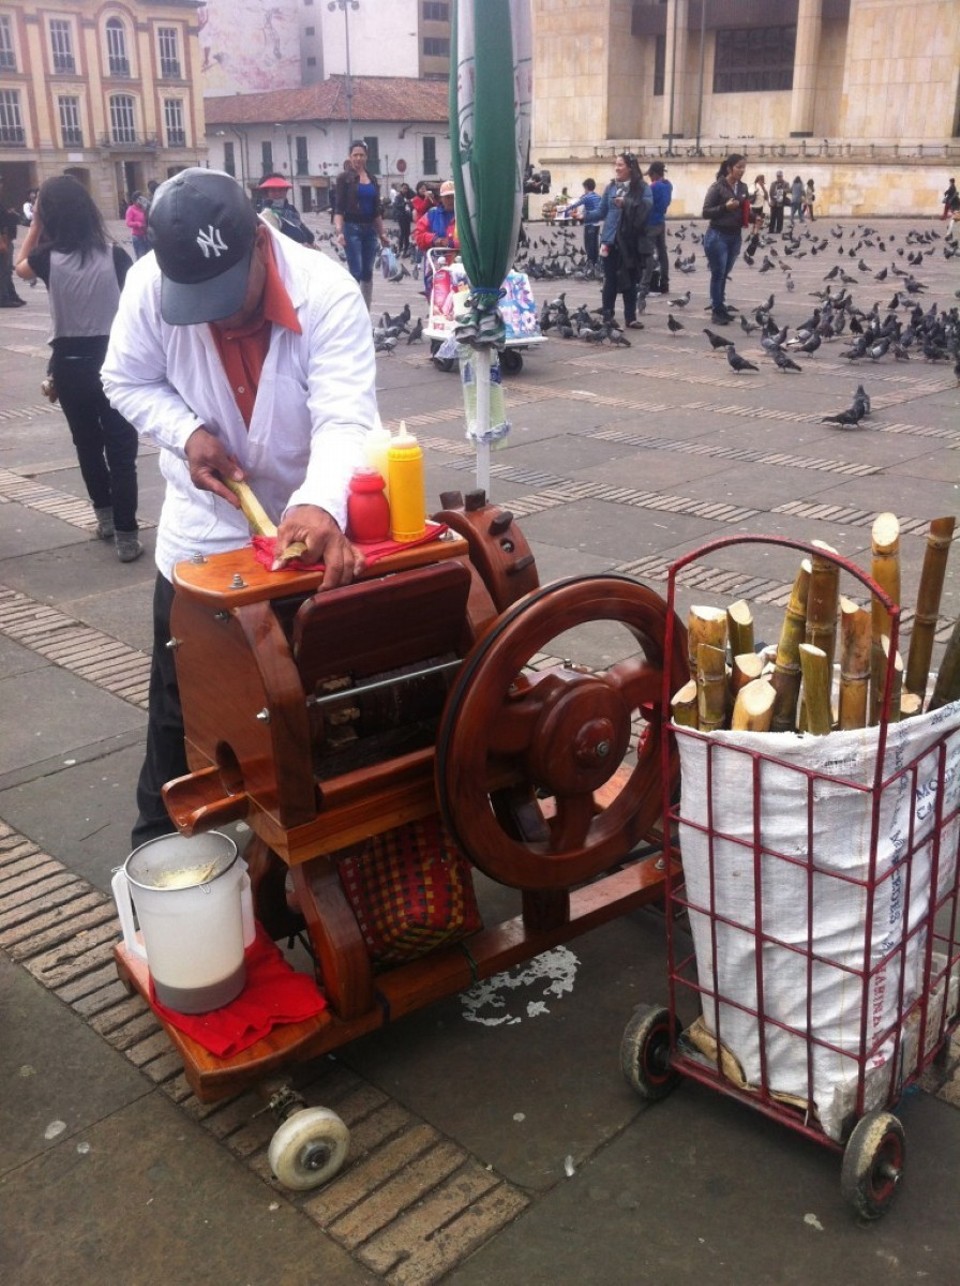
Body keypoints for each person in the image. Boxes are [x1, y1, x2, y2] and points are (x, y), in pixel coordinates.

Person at [100, 168, 378, 846]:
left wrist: (319, 502)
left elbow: (345, 417)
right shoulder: (150, 286)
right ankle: (156, 856)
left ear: (259, 241)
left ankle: (313, 852)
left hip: (302, 544)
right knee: (180, 714)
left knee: (313, 708)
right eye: (199, 301)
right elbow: (125, 378)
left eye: (226, 295)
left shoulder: (328, 292)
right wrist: (187, 433)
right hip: (202, 540)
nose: (219, 317)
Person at [14, 176, 141, 559]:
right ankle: (127, 536)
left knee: (87, 445)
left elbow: (19, 267)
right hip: (114, 364)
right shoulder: (115, 255)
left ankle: (105, 518)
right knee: (122, 451)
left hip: (69, 367)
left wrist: (35, 225)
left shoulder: (46, 259)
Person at [334, 140, 390, 311]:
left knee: (368, 272)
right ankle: (351, 310)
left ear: (366, 157)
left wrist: (382, 234)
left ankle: (365, 310)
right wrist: (339, 232)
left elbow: (376, 211)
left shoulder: (372, 179)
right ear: (350, 157)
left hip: (370, 229)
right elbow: (338, 208)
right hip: (352, 228)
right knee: (356, 271)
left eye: (361, 155)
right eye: (355, 155)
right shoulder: (344, 179)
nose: (358, 158)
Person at [597, 152, 651, 329]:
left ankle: (630, 318)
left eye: (620, 165)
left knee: (630, 280)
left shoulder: (641, 188)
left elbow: (647, 207)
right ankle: (607, 316)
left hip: (630, 241)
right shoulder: (611, 187)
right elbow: (601, 211)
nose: (617, 168)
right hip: (610, 240)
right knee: (610, 280)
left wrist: (626, 203)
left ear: (630, 167)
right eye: (616, 164)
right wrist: (583, 214)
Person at [701, 153, 749, 325]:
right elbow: (706, 212)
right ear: (729, 168)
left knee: (724, 274)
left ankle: (721, 306)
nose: (742, 170)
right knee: (718, 273)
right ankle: (716, 311)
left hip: (735, 236)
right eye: (738, 167)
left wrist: (754, 218)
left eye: (744, 167)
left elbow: (744, 211)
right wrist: (724, 207)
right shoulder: (717, 187)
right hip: (718, 236)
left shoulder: (743, 188)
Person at [413, 179, 459, 299]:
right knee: (435, 295)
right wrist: (434, 239)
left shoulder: (464, 215)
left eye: (453, 197)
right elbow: (418, 235)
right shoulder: (432, 214)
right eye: (447, 197)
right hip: (436, 262)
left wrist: (453, 243)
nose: (450, 200)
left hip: (459, 262)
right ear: (441, 198)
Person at [645, 161, 673, 294]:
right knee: (662, 253)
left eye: (650, 175)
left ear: (655, 174)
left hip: (651, 223)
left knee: (649, 254)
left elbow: (646, 204)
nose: (650, 178)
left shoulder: (653, 187)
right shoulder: (668, 185)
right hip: (661, 221)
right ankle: (664, 282)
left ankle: (646, 283)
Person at [0, 175, 26, 307]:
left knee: (7, 269)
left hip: (7, 238)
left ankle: (10, 294)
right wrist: (2, 242)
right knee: (3, 270)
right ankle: (3, 298)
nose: (1, 185)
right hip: (3, 239)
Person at [563, 178, 602, 266]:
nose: (584, 190)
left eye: (584, 188)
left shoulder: (587, 197)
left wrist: (564, 210)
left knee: (588, 243)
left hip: (589, 223)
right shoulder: (598, 196)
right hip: (597, 223)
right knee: (595, 242)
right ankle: (595, 261)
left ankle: (590, 261)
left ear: (586, 187)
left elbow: (575, 205)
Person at [393, 182, 414, 258]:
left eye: (407, 189)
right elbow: (397, 206)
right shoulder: (398, 197)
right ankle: (400, 248)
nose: (405, 190)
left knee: (407, 233)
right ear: (401, 188)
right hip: (401, 217)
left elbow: (413, 199)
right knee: (402, 232)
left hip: (407, 217)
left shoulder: (408, 195)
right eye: (404, 188)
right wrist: (405, 203)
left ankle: (406, 248)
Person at [125, 192, 149, 258]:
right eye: (139, 199)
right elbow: (128, 223)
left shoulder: (144, 208)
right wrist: (138, 224)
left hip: (146, 236)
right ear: (135, 200)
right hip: (137, 237)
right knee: (141, 256)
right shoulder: (131, 209)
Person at [768, 170, 788, 235]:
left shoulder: (785, 183)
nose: (779, 177)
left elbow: (788, 190)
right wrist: (771, 199)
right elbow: (770, 192)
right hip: (774, 201)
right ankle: (771, 229)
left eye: (780, 176)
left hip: (781, 202)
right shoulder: (773, 183)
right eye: (778, 176)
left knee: (780, 217)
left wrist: (782, 190)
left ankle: (778, 230)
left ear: (782, 176)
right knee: (772, 216)